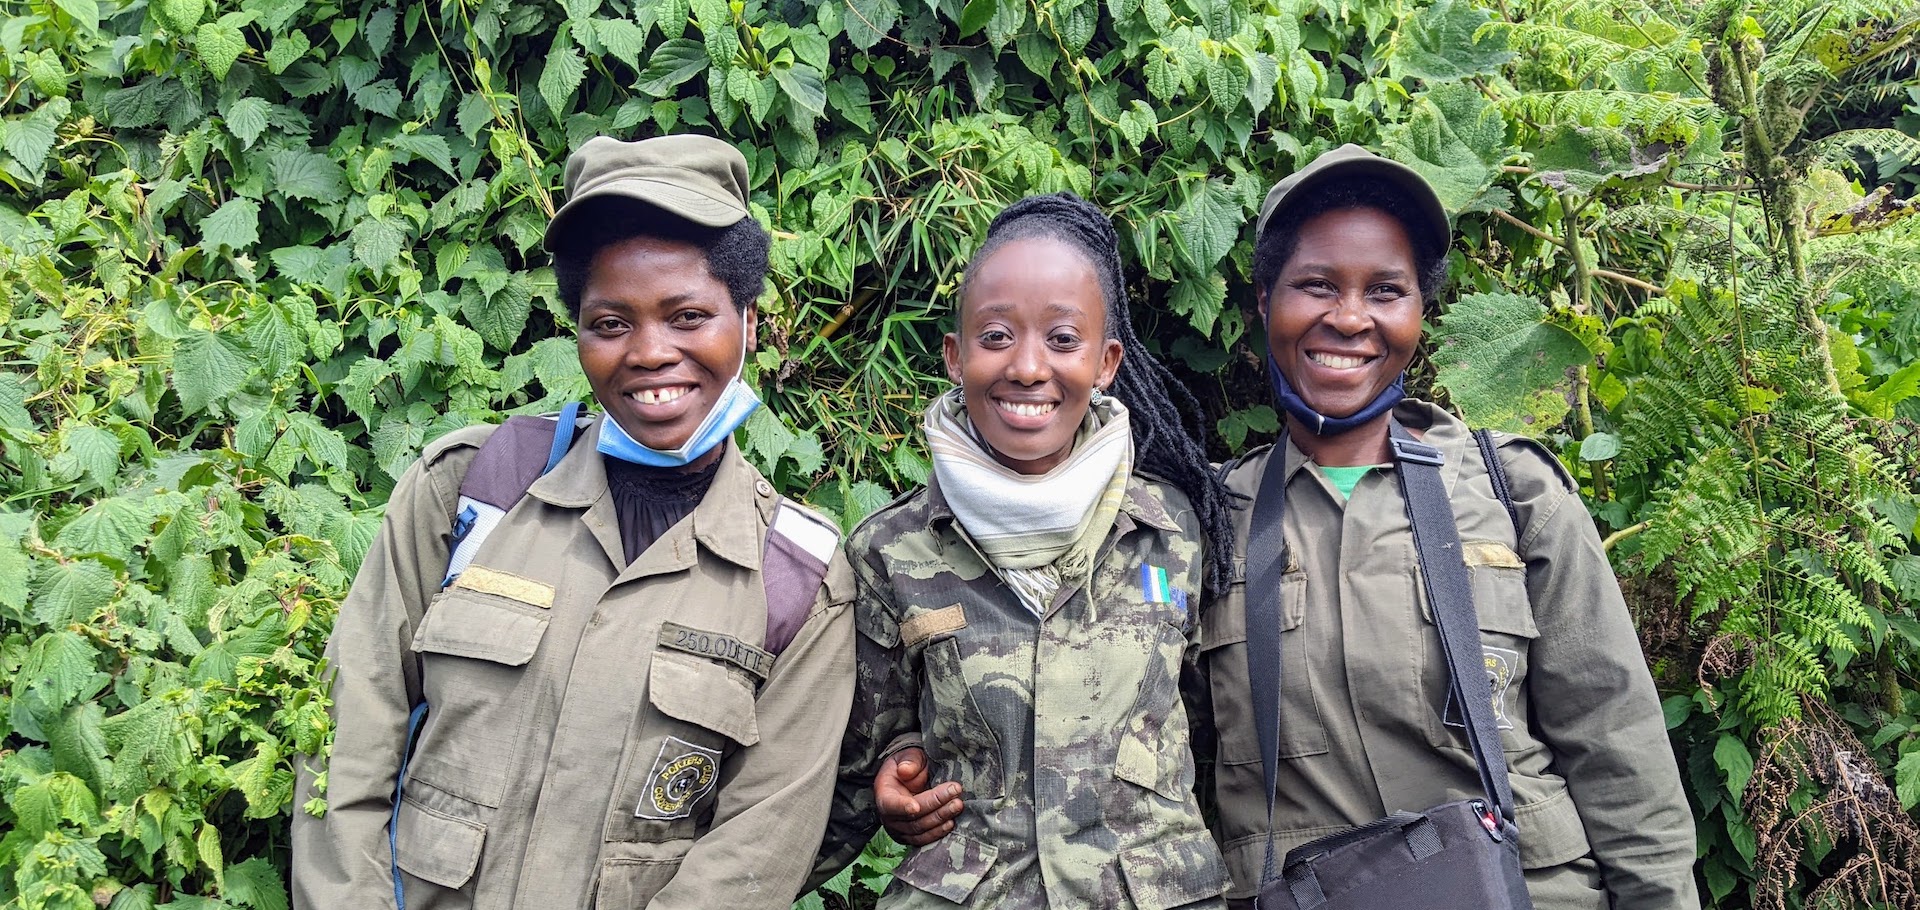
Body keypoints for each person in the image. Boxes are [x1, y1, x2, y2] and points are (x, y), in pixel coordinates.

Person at [877, 146, 1700, 909]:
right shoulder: (1199, 523)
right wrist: (913, 752)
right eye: (1316, 285)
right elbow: (1094, 691)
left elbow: (1616, 743)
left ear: (1422, 312)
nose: (1350, 317)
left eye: (1386, 290)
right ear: (1267, 303)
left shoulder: (1509, 491)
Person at [291, 134, 855, 910]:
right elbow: (351, 734)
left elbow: (756, 847)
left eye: (689, 316)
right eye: (611, 323)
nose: (650, 353)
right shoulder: (471, 488)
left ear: (749, 322)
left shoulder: (800, 577)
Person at [813, 193, 1240, 907]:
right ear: (955, 357)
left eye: (1063, 339)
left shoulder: (1173, 530)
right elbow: (858, 758)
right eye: (996, 336)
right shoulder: (890, 550)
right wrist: (898, 774)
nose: (1029, 367)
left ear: (1106, 362)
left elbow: (1217, 732)